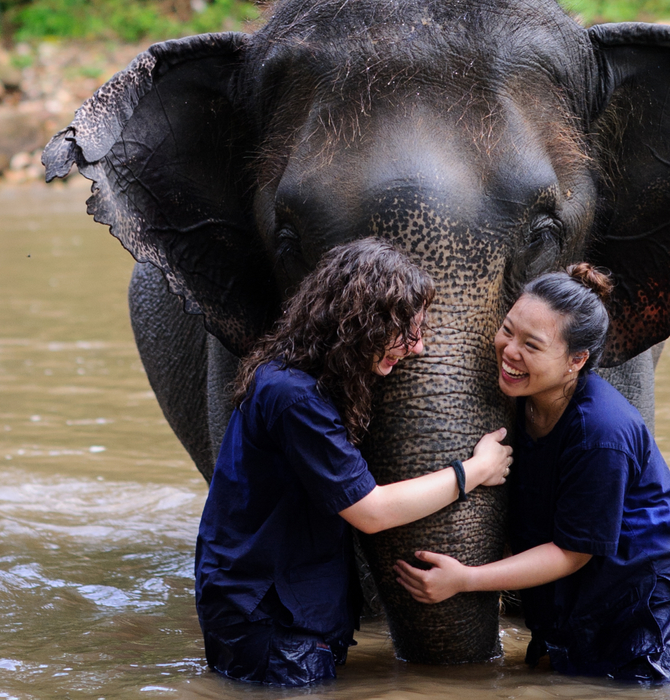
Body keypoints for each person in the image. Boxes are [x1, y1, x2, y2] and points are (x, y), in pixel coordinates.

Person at [195, 238, 513, 687]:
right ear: (359, 323)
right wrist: (474, 471)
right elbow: (372, 511)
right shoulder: (294, 398)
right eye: (408, 332)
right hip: (271, 624)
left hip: (273, 610)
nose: (418, 348)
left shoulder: (296, 376)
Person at [394, 264, 670, 683]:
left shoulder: (600, 432)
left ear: (577, 360)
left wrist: (466, 580)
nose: (509, 350)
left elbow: (573, 552)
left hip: (656, 616)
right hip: (587, 601)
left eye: (531, 345)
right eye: (507, 330)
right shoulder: (522, 399)